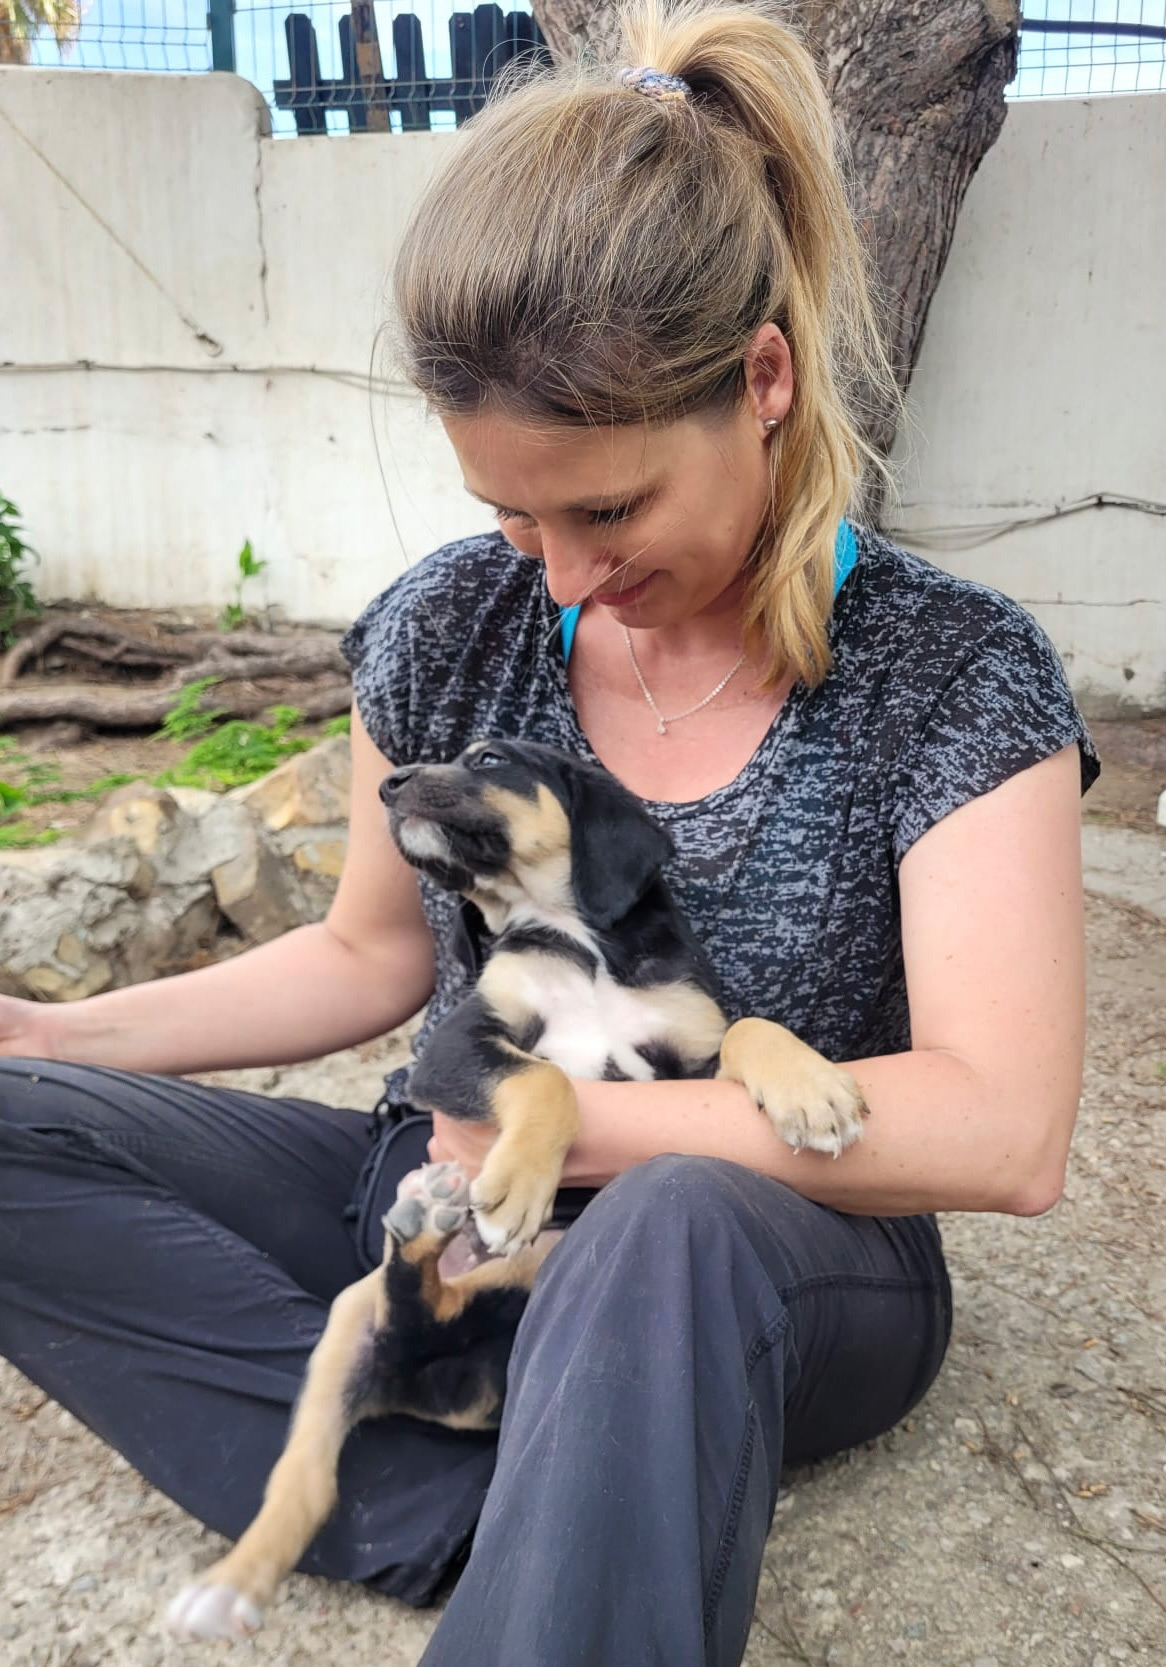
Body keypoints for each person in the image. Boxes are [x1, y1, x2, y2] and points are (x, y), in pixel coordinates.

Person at [0, 2, 1097, 1662]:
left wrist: (577, 1134)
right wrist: (54, 1035)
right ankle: (465, 1512)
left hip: (764, 1250)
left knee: (662, 1226)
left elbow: (1000, 1129)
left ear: (764, 380)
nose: (557, 571)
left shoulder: (947, 674)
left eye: (606, 508)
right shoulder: (448, 627)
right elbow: (367, 954)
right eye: (508, 512)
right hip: (448, 1186)